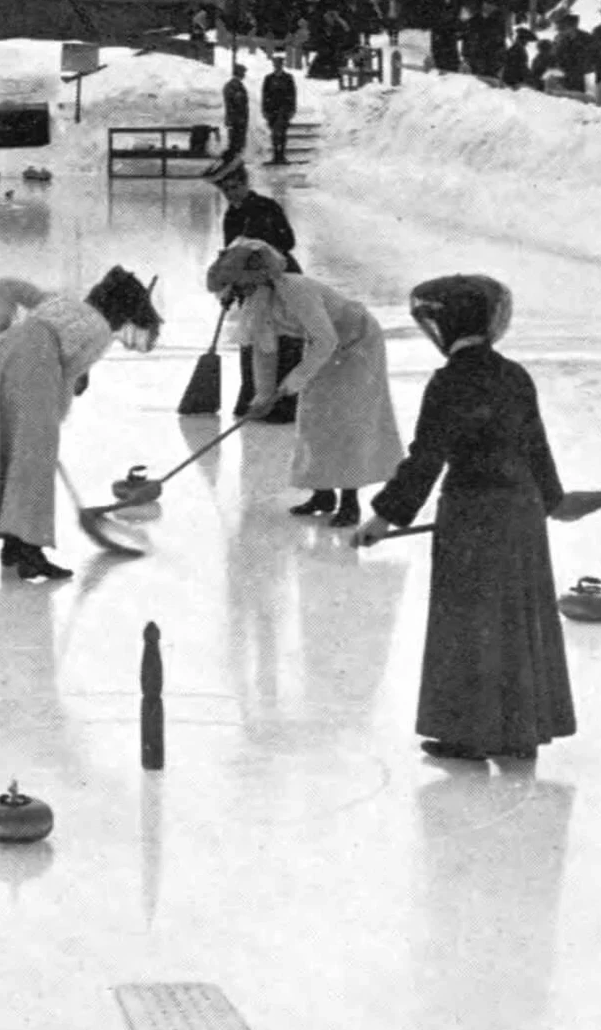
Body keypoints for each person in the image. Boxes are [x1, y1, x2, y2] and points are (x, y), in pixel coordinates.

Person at [354, 275, 575, 763]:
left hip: (473, 516)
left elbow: (427, 457)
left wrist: (384, 517)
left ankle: (467, 733)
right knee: (516, 618)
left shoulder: (449, 381)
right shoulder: (515, 375)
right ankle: (519, 732)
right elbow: (536, 446)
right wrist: (554, 500)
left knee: (467, 622)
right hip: (521, 513)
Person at [0, 266, 163, 580]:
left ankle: (13, 547)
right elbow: (66, 382)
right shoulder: (101, 330)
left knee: (7, 452)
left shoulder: (60, 302)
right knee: (33, 464)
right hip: (35, 369)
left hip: (1, 356)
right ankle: (29, 552)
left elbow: (7, 284)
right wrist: (51, 424)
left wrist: (4, 324)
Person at [206, 240, 404, 528]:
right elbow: (264, 349)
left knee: (345, 420)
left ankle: (350, 503)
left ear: (257, 277)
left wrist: (293, 382)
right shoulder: (259, 301)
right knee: (313, 417)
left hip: (357, 344)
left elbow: (327, 339)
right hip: (323, 348)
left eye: (239, 286)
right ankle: (323, 494)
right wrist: (262, 395)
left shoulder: (296, 290)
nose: (238, 295)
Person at [202, 152, 301, 421]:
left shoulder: (267, 207)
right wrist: (230, 289)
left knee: (282, 339)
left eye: (235, 187)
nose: (231, 194)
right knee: (255, 340)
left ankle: (282, 406)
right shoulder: (231, 218)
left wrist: (262, 254)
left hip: (281, 280)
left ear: (245, 183)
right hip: (251, 286)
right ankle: (255, 399)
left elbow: (288, 242)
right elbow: (231, 257)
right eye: (226, 190)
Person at [260, 51, 297, 164]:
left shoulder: (288, 78)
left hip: (284, 110)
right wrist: (264, 110)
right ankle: (276, 155)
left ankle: (282, 155)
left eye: (279, 64)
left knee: (282, 133)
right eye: (275, 64)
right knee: (274, 134)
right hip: (272, 110)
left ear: (282, 65)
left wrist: (292, 109)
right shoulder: (268, 78)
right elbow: (265, 94)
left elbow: (292, 94)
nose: (277, 66)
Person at [222, 62, 249, 159]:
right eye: (243, 72)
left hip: (238, 119)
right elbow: (235, 103)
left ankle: (234, 162)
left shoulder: (235, 85)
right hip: (236, 119)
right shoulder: (232, 85)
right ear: (238, 73)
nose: (244, 75)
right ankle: (232, 164)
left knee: (237, 143)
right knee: (235, 144)